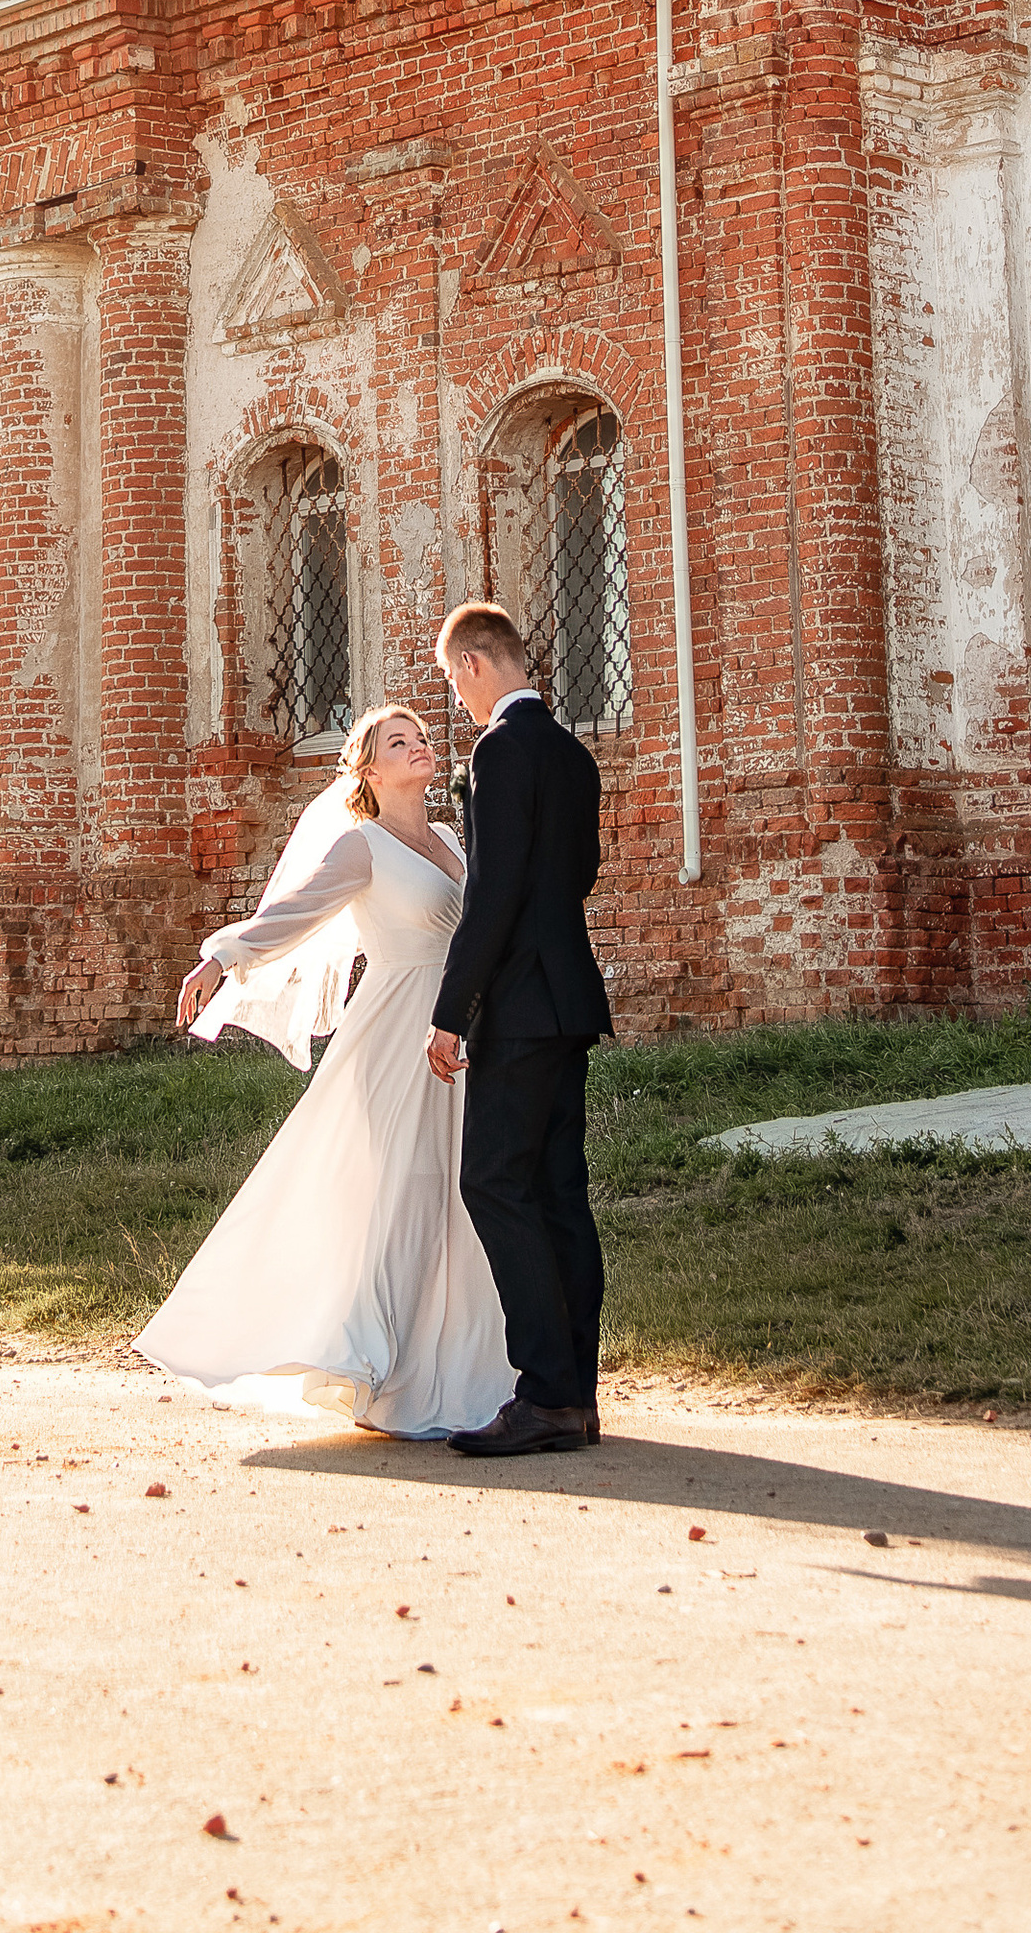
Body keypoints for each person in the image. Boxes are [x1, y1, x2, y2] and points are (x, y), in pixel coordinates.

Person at [135, 705, 516, 1440]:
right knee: (403, 1191)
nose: (418, 748)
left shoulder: (445, 837)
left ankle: (462, 1367)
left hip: (459, 1027)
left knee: (462, 1196)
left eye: (422, 738)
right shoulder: (360, 845)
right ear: (369, 771)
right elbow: (295, 912)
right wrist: (223, 957)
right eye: (397, 743)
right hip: (395, 1032)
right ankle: (376, 1367)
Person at [427, 599, 610, 1458]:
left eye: (451, 682)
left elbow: (490, 899)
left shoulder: (499, 751)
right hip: (570, 997)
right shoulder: (573, 754)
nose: (457, 703)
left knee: (494, 1184)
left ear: (472, 666)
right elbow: (579, 875)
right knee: (560, 1195)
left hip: (522, 1006)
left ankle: (542, 1394)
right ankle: (577, 1393)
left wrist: (451, 1014)